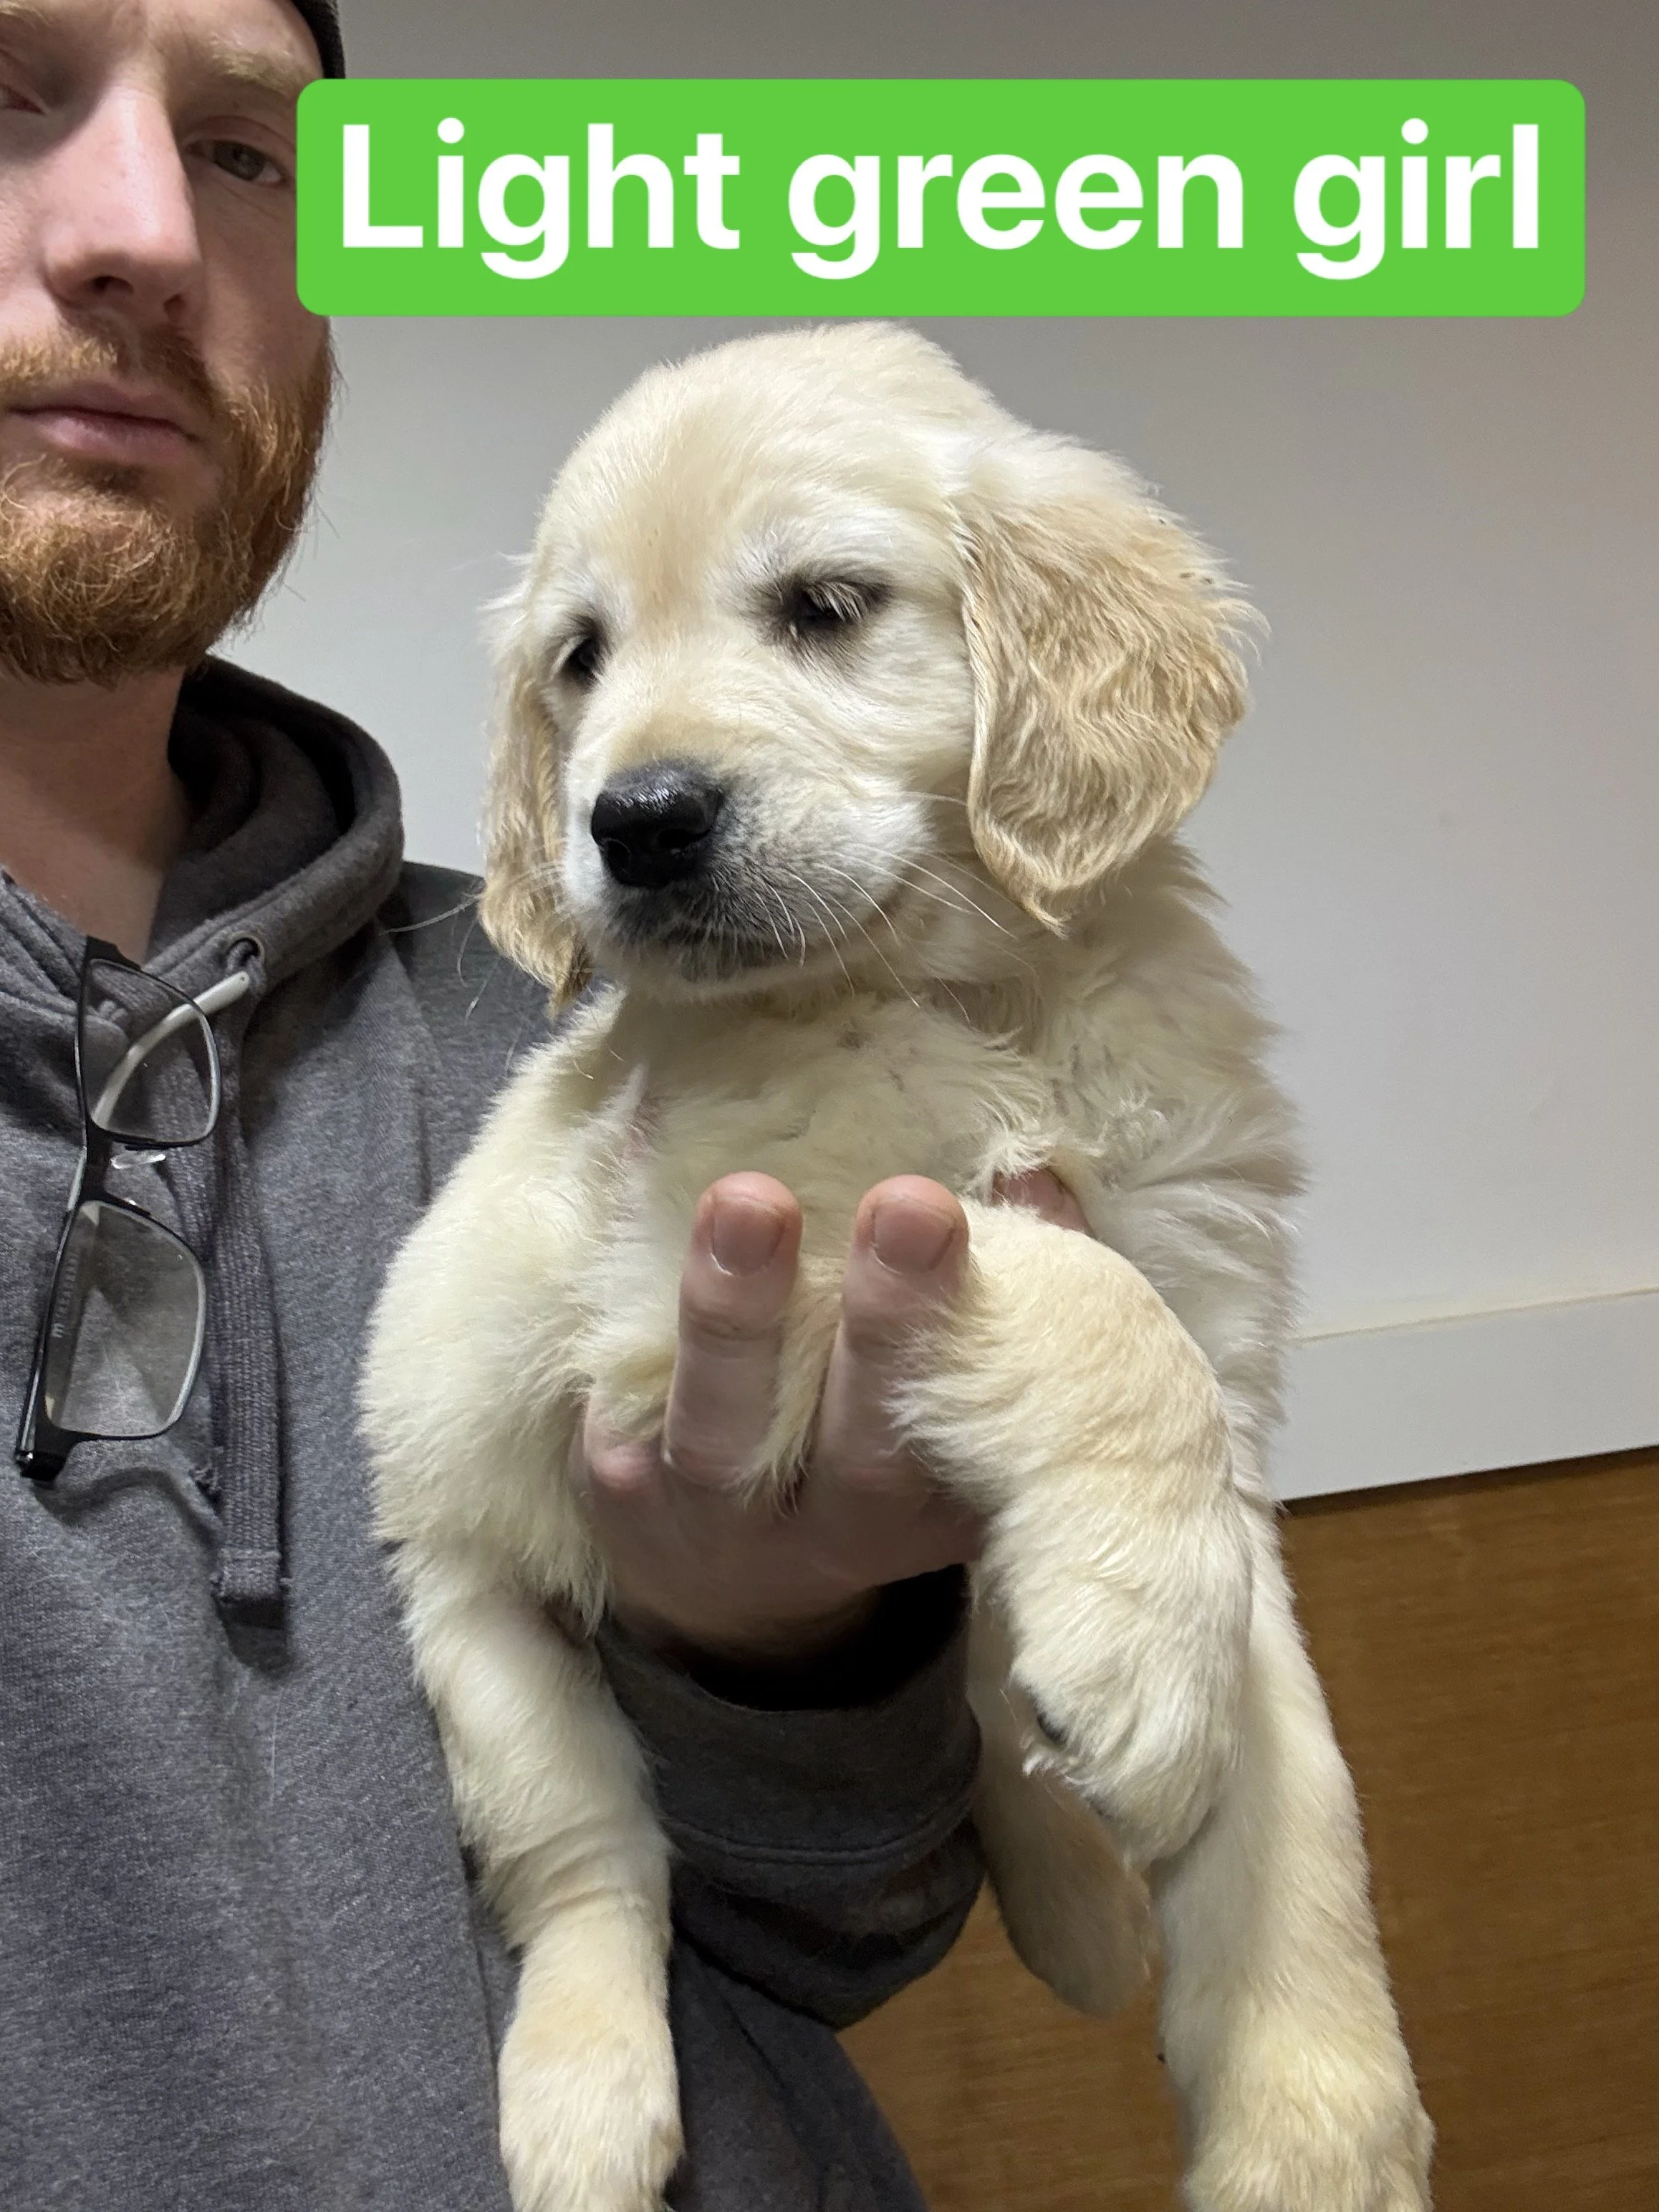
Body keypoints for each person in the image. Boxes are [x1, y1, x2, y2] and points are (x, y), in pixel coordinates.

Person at [0, 5, 1097, 2208]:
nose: (142, 231)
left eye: (249, 151)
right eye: (4, 88)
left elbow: (842, 1927)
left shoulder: (588, 1027)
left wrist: (782, 1626)